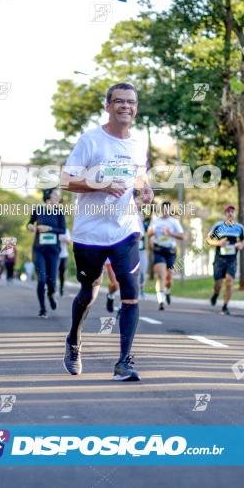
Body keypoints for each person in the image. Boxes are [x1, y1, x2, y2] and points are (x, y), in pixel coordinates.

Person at [60, 82, 154, 382]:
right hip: (90, 233)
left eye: (131, 102)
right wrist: (99, 185)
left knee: (131, 293)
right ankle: (74, 340)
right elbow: (64, 180)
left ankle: (124, 362)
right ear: (108, 106)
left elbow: (139, 177)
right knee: (88, 293)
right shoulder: (91, 141)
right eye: (119, 101)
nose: (126, 106)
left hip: (126, 230)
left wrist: (146, 188)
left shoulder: (139, 144)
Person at [28, 187, 67, 317]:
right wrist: (30, 227)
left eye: (59, 195)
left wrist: (49, 228)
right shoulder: (38, 210)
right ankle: (42, 308)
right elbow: (30, 223)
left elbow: (62, 230)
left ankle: (51, 294)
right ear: (48, 195)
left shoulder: (59, 212)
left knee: (52, 281)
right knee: (42, 279)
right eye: (56, 195)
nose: (59, 197)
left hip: (53, 251)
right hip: (39, 250)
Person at [205, 204, 244, 315]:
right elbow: (208, 240)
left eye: (232, 211)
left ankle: (225, 306)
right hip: (219, 259)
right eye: (228, 211)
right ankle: (215, 294)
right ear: (225, 213)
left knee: (229, 282)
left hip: (232, 260)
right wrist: (219, 242)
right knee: (218, 284)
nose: (230, 213)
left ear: (235, 213)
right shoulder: (218, 226)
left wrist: (241, 245)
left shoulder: (239, 227)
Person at [146, 201, 184, 311]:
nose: (166, 211)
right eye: (164, 209)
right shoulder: (155, 220)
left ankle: (167, 291)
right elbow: (149, 232)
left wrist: (170, 234)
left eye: (168, 209)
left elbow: (182, 236)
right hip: (158, 250)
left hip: (170, 251)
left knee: (169, 278)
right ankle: (161, 300)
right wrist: (151, 238)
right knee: (161, 275)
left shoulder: (174, 222)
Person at [58, 228, 71, 297]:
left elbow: (69, 242)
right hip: (55, 255)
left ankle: (61, 288)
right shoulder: (54, 229)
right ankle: (51, 288)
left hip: (64, 255)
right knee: (54, 272)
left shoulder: (66, 230)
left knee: (62, 273)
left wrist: (64, 239)